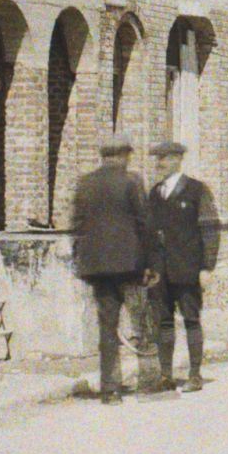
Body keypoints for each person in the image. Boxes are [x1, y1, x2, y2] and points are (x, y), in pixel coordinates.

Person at [70, 134, 149, 404]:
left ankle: (110, 390)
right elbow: (143, 222)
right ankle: (150, 381)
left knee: (107, 325)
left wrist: (80, 260)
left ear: (103, 156)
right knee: (142, 322)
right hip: (130, 265)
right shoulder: (132, 182)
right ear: (125, 155)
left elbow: (77, 225)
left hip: (97, 266)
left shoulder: (85, 183)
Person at [144, 140, 218, 394]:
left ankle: (195, 375)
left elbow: (210, 229)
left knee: (191, 319)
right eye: (158, 159)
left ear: (177, 160)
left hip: (187, 268)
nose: (159, 164)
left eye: (164, 159)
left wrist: (207, 267)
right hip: (159, 271)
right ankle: (166, 376)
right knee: (162, 322)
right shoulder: (154, 193)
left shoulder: (196, 190)